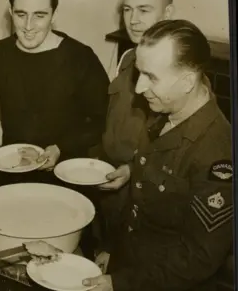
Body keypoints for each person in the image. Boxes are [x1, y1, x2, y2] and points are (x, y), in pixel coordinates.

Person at [83, 19, 233, 291]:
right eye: (139, 73)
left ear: (188, 81)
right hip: (129, 262)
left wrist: (120, 282)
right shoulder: (167, 107)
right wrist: (113, 251)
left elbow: (197, 259)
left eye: (151, 77)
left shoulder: (217, 154)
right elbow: (154, 183)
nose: (139, 88)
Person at [0, 0, 110, 182]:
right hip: (10, 170)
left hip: (65, 174)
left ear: (53, 15)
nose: (28, 26)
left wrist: (61, 148)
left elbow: (103, 119)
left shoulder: (80, 58)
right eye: (20, 14)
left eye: (39, 15)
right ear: (10, 12)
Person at [99, 0, 175, 168]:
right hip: (108, 172)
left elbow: (176, 148)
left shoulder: (180, 68)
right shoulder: (126, 58)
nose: (132, 20)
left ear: (167, 13)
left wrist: (131, 170)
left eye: (143, 10)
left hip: (142, 182)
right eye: (127, 9)